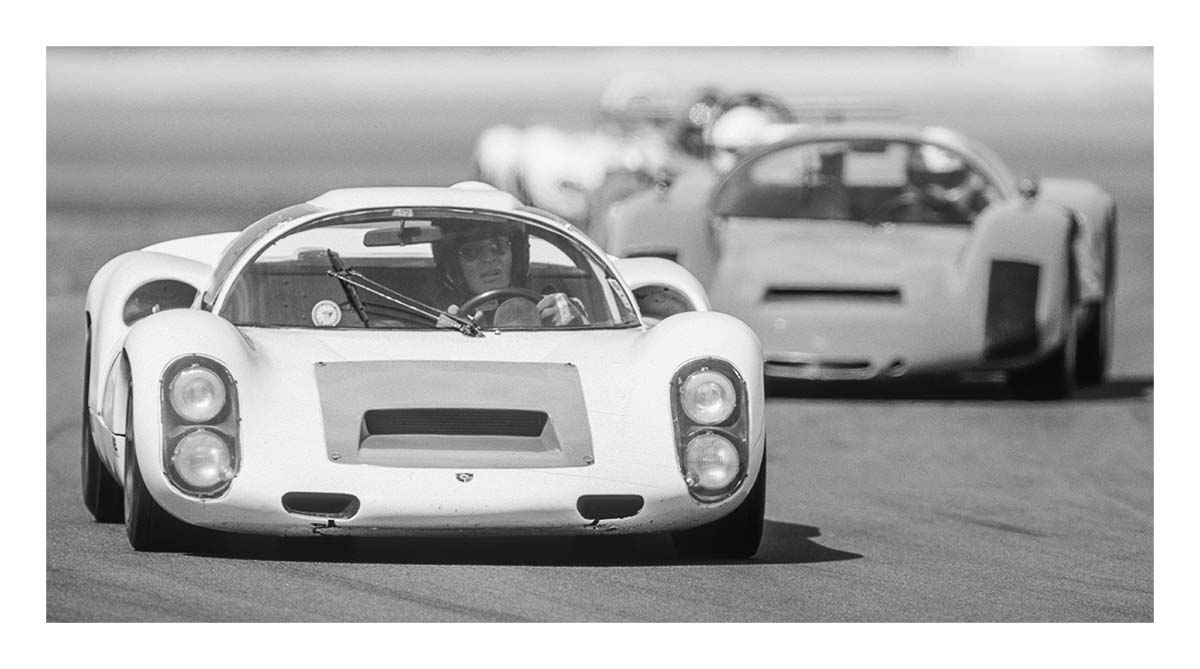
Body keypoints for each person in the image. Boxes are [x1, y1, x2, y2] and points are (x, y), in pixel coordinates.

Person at [431, 220, 588, 328]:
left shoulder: (559, 307)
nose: (489, 258)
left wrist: (577, 324)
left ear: (516, 254)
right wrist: (443, 340)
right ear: (453, 265)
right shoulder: (430, 315)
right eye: (471, 252)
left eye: (499, 246)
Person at [882, 143, 991, 223]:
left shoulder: (986, 225)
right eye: (922, 180)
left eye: (947, 180)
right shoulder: (888, 223)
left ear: (974, 180)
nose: (934, 191)